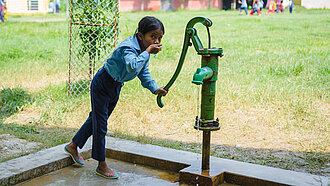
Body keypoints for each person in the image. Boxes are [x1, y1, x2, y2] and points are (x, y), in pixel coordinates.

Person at [64, 16, 168, 179]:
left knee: (97, 120)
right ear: (141, 36)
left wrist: (155, 88)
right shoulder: (128, 47)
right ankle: (101, 164)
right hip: (103, 83)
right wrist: (147, 52)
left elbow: (142, 71)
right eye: (152, 36)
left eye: (159, 38)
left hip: (115, 86)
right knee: (101, 125)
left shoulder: (142, 50)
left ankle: (73, 145)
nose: (156, 41)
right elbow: (132, 65)